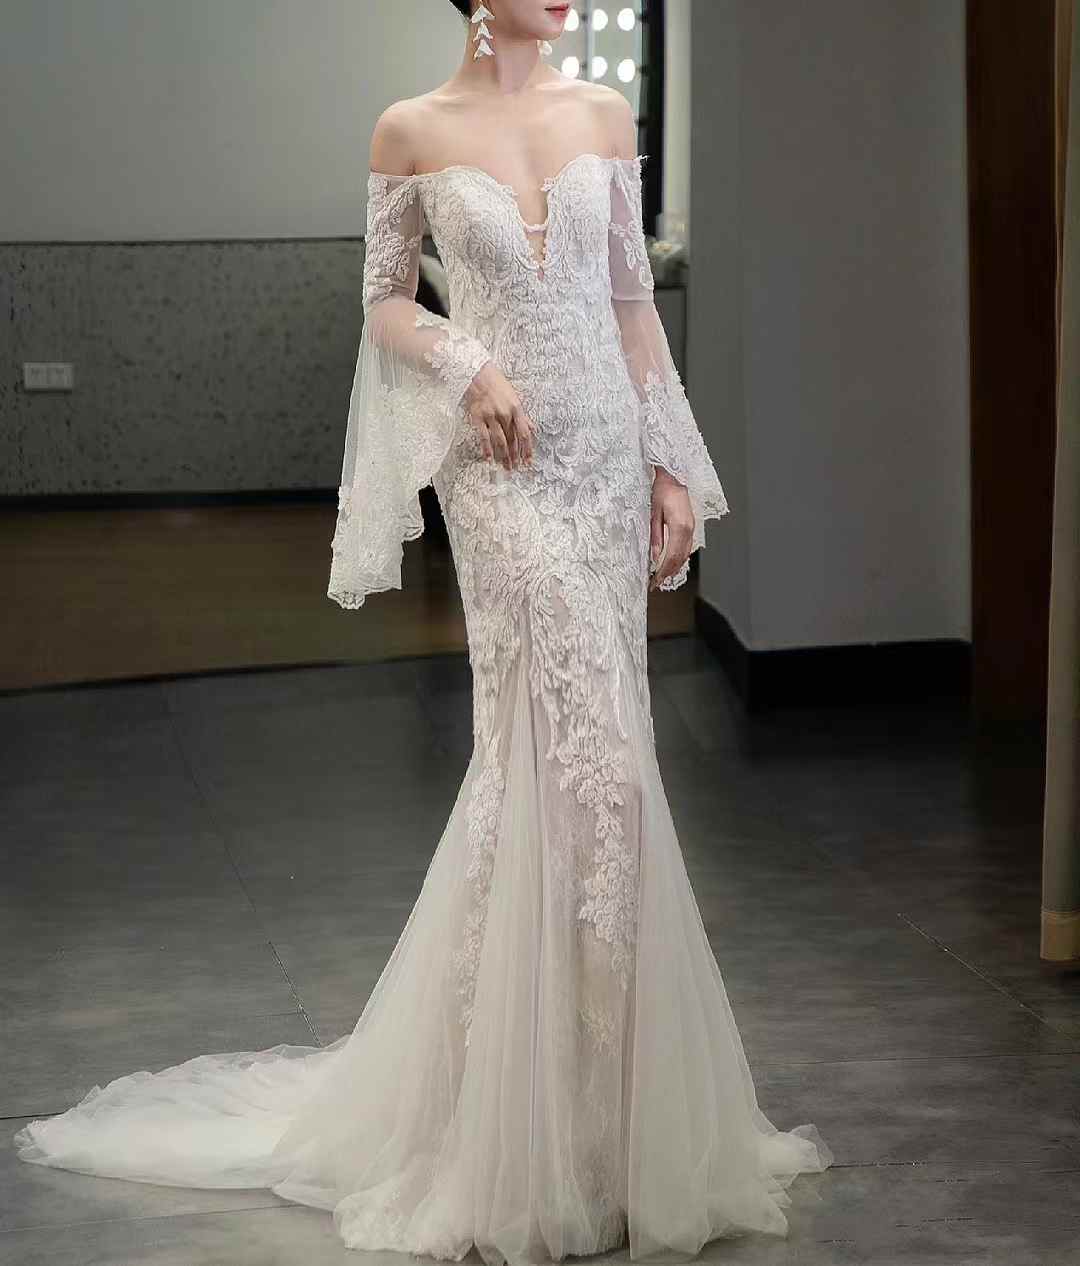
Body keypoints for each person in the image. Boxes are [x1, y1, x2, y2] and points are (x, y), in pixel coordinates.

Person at [15, 3, 833, 1262]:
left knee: (591, 770)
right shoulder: (411, 129)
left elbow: (632, 312)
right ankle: (522, 1132)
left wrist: (674, 467)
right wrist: (469, 365)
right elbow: (386, 306)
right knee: (578, 761)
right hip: (497, 472)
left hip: (604, 460)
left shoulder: (602, 114)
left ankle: (602, 1126)